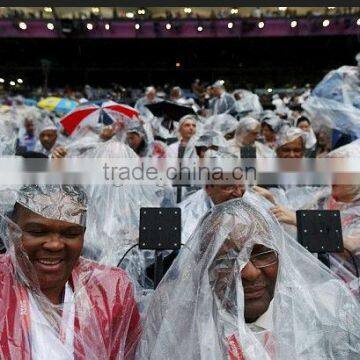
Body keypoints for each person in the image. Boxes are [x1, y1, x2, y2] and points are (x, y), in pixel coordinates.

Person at [137, 193, 360, 359]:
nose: (250, 273)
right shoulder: (176, 330)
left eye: (261, 253)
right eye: (226, 259)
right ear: (203, 268)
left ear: (282, 255)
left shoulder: (327, 318)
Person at [0, 185, 141, 359]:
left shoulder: (112, 291)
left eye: (71, 233)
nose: (55, 244)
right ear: (11, 230)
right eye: (37, 232)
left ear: (83, 235)